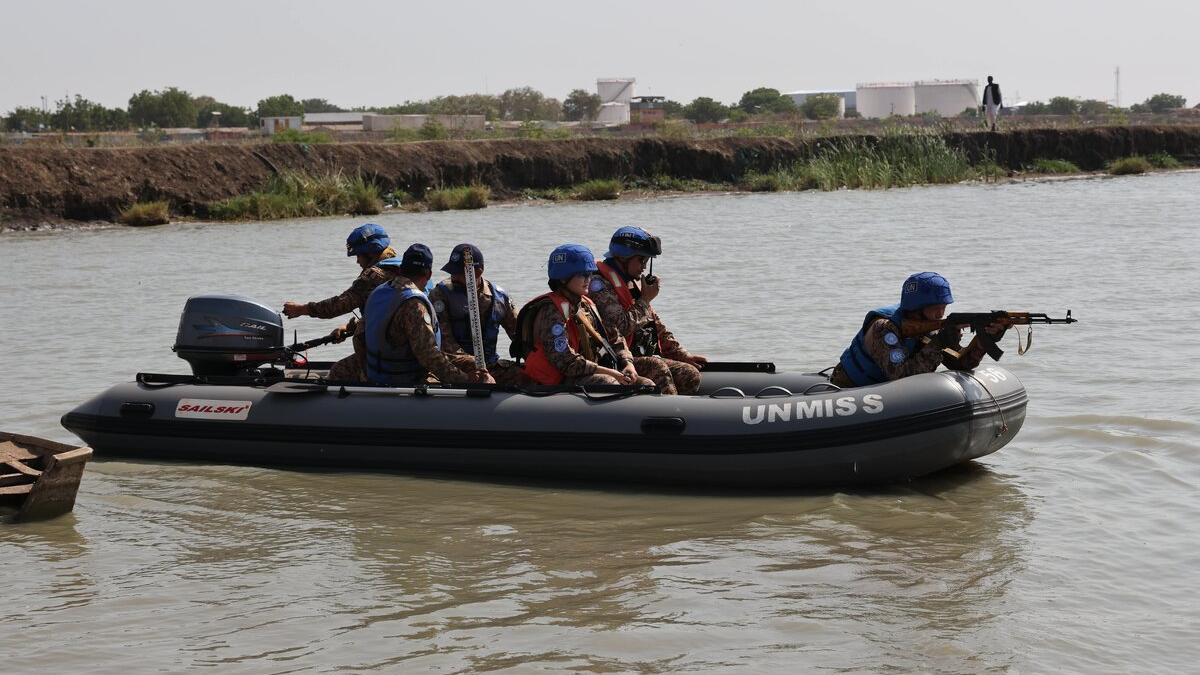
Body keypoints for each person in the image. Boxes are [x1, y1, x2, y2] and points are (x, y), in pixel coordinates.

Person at [829, 272, 1007, 388]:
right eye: (936, 307)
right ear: (917, 307)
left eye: (944, 306)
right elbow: (902, 380)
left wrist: (986, 340)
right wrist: (938, 344)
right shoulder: (883, 328)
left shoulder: (931, 327)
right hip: (849, 390)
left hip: (881, 395)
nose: (941, 313)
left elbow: (961, 364)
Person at [589, 226, 707, 395]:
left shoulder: (631, 283)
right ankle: (671, 415)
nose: (644, 267)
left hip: (635, 355)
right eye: (642, 260)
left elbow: (655, 324)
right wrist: (645, 300)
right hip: (613, 359)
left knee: (689, 375)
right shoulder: (598, 285)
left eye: (646, 261)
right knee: (656, 367)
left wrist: (682, 354)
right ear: (623, 257)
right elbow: (620, 327)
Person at [515, 244, 653, 387]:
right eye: (582, 275)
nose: (588, 279)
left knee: (647, 384)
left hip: (589, 372)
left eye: (590, 274)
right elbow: (566, 363)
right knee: (609, 383)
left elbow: (614, 338)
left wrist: (627, 363)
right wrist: (611, 373)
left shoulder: (587, 304)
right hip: (562, 380)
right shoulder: (551, 311)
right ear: (563, 279)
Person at [363, 244, 494, 386]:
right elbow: (429, 355)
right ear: (429, 274)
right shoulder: (414, 304)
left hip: (376, 373)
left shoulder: (379, 292)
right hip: (404, 379)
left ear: (401, 269)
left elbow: (359, 336)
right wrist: (466, 380)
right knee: (472, 366)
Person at [282, 223, 396, 382]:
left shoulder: (373, 276)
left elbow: (338, 305)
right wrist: (351, 328)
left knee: (338, 372)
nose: (357, 261)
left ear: (370, 253)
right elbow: (388, 315)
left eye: (358, 255)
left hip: (388, 354)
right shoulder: (402, 266)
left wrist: (303, 309)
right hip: (403, 347)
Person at [428, 243, 526, 386]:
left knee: (528, 376)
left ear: (478, 272)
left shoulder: (499, 298)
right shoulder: (440, 295)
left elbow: (519, 335)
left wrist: (533, 358)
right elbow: (445, 343)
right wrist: (474, 365)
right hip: (455, 366)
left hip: (490, 365)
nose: (453, 277)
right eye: (452, 272)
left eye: (459, 273)